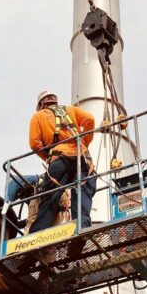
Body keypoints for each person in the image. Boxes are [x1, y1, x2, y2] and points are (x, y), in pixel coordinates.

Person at [28, 90, 97, 233]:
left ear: (41, 104)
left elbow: (34, 143)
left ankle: (38, 233)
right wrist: (84, 142)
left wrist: (47, 157)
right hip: (82, 157)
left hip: (59, 158)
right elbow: (90, 119)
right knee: (83, 190)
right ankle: (82, 227)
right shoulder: (70, 110)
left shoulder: (38, 116)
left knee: (50, 196)